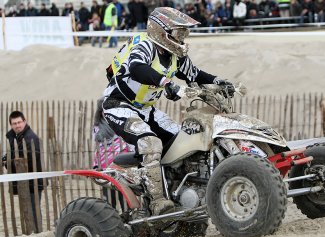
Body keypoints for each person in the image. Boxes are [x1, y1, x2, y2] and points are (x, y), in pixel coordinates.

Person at [101, 7, 233, 216]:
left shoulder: (175, 55)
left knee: (182, 142)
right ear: (162, 32)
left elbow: (195, 74)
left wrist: (218, 81)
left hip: (146, 109)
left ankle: (177, 191)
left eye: (184, 34)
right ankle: (157, 201)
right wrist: (166, 82)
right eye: (178, 33)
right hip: (119, 105)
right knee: (150, 142)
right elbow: (136, 67)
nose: (182, 38)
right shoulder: (145, 46)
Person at [3, 111, 44, 233]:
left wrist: (7, 163)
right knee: (27, 209)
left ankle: (38, 233)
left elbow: (27, 161)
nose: (17, 125)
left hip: (34, 182)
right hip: (25, 182)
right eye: (14, 123)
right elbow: (14, 153)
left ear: (24, 121)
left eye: (19, 122)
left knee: (33, 209)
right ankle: (33, 232)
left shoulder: (30, 138)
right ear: (11, 125)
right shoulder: (16, 137)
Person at [92, 98, 135, 211]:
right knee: (109, 200)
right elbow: (98, 149)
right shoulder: (97, 128)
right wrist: (96, 166)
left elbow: (130, 143)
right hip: (105, 168)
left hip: (122, 168)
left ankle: (128, 218)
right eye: (104, 110)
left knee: (125, 197)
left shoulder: (122, 124)